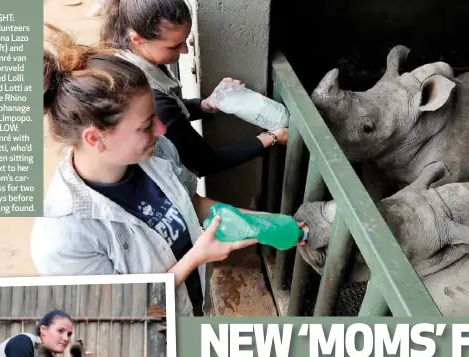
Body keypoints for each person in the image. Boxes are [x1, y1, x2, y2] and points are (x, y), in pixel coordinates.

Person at [32, 24, 304, 317]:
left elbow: (191, 202)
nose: (161, 129)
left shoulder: (156, 151)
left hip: (193, 306)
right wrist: (197, 257)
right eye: (146, 124)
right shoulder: (62, 237)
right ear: (95, 138)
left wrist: (269, 223)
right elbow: (122, 312)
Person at [99, 0, 289, 178]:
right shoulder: (147, 94)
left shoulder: (128, 58)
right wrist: (271, 137)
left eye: (185, 41)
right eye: (174, 46)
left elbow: (172, 113)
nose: (185, 51)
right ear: (138, 39)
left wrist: (205, 105)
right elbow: (203, 163)